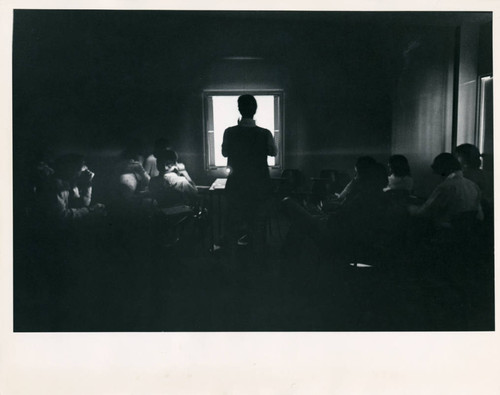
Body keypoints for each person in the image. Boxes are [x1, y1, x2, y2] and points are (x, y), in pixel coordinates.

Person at [221, 94, 278, 251]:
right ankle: (257, 260)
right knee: (257, 225)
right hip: (259, 186)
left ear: (239, 109)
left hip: (236, 185)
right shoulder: (265, 133)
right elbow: (273, 152)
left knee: (233, 222)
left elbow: (225, 153)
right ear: (255, 110)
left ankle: (232, 260)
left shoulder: (229, 132)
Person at [408, 153, 482, 228]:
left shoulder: (446, 187)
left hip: (445, 232)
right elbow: (480, 215)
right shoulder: (473, 185)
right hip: (467, 232)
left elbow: (425, 211)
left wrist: (408, 208)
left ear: (442, 170)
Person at [36, 154, 105, 227]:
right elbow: (61, 216)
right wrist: (90, 210)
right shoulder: (55, 185)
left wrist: (88, 184)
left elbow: (83, 204)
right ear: (70, 169)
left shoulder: (70, 184)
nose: (81, 173)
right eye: (80, 169)